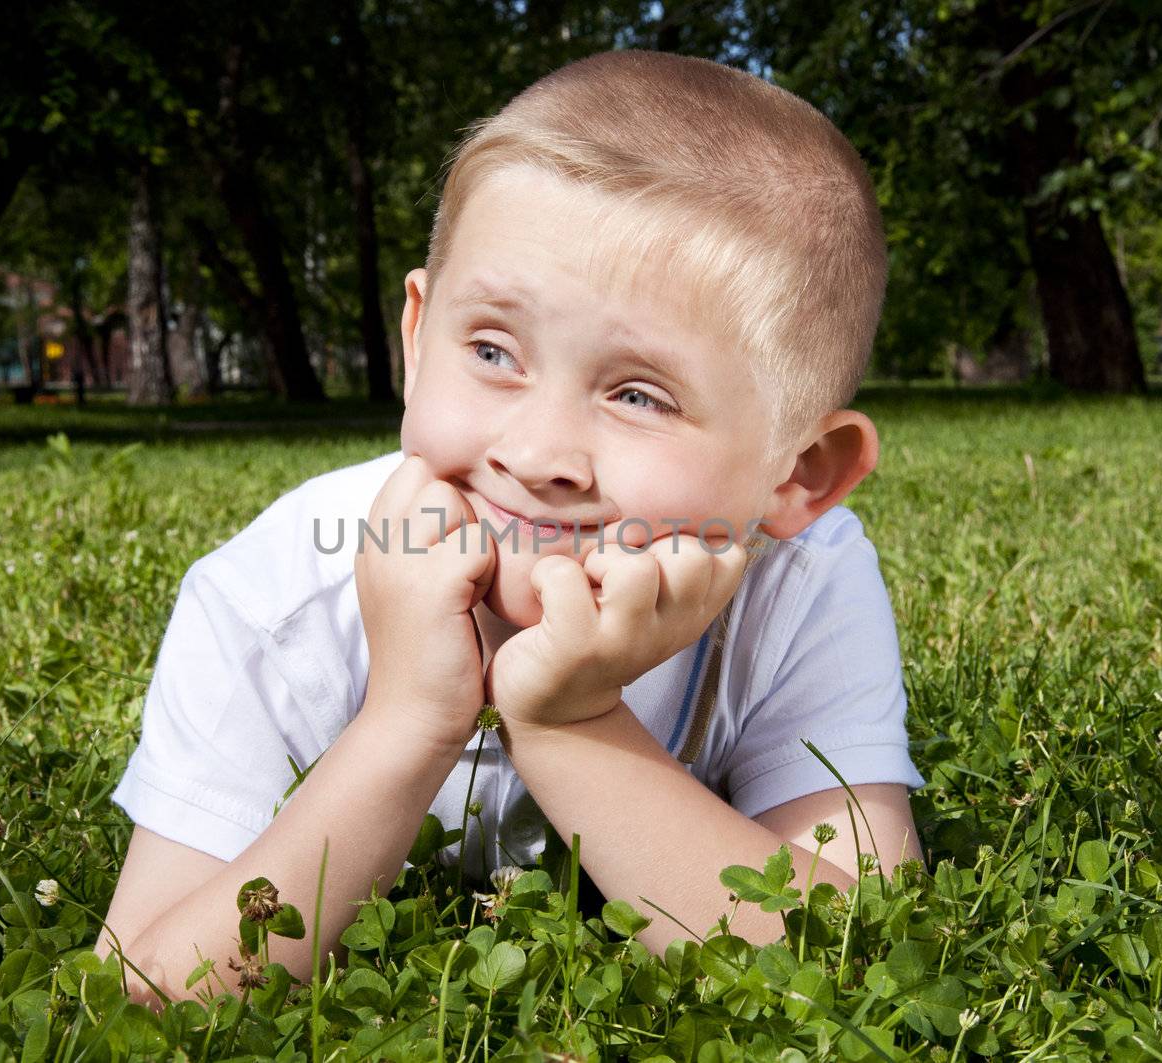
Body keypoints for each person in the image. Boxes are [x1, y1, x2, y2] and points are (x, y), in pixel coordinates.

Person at [97, 48, 925, 1004]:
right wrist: (407, 715)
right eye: (492, 349)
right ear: (417, 338)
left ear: (798, 474)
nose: (537, 454)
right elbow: (142, 994)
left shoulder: (806, 582)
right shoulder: (276, 596)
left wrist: (572, 723)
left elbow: (858, 952)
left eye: (640, 395)